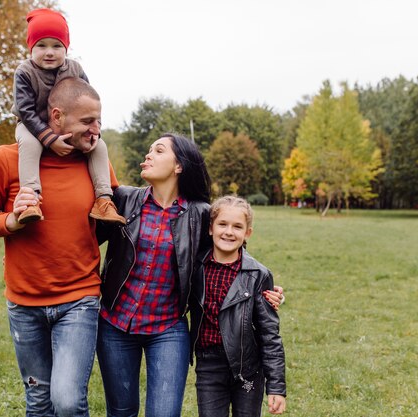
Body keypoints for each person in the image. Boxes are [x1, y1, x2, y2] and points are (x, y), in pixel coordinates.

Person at [95, 134, 285, 417]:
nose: (147, 155)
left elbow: (228, 256)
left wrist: (263, 288)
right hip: (115, 325)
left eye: (158, 151)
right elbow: (84, 243)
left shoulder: (200, 215)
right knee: (121, 411)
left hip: (167, 329)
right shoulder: (123, 199)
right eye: (148, 150)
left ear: (179, 166)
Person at [0, 77, 113, 417]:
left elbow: (111, 218)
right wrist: (12, 222)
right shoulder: (6, 159)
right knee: (39, 402)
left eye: (99, 122)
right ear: (57, 117)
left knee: (67, 401)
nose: (96, 131)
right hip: (24, 305)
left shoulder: (93, 162)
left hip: (79, 300)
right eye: (88, 122)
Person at [11, 8, 124, 225]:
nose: (49, 52)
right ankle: (31, 197)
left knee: (99, 147)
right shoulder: (24, 72)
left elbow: (90, 101)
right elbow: (25, 110)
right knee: (29, 144)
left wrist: (94, 130)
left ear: (66, 47)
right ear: (30, 47)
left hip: (68, 126)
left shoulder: (75, 69)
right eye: (41, 45)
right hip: (32, 124)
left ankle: (103, 200)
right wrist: (49, 139)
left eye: (57, 46)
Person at [190, 196, 287, 417]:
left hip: (248, 368)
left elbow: (270, 334)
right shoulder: (196, 268)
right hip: (209, 365)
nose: (229, 232)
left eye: (237, 227)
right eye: (222, 224)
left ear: (247, 233)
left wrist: (277, 387)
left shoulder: (257, 275)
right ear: (210, 228)